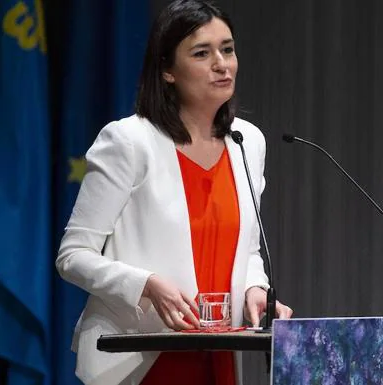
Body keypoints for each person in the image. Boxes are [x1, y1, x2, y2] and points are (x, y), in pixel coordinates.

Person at [55, 1, 293, 384]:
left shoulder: (247, 141)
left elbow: (244, 248)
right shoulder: (129, 141)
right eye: (202, 53)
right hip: (139, 355)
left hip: (217, 350)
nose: (222, 63)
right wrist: (146, 284)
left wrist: (255, 288)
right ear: (167, 70)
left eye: (227, 49)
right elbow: (72, 257)